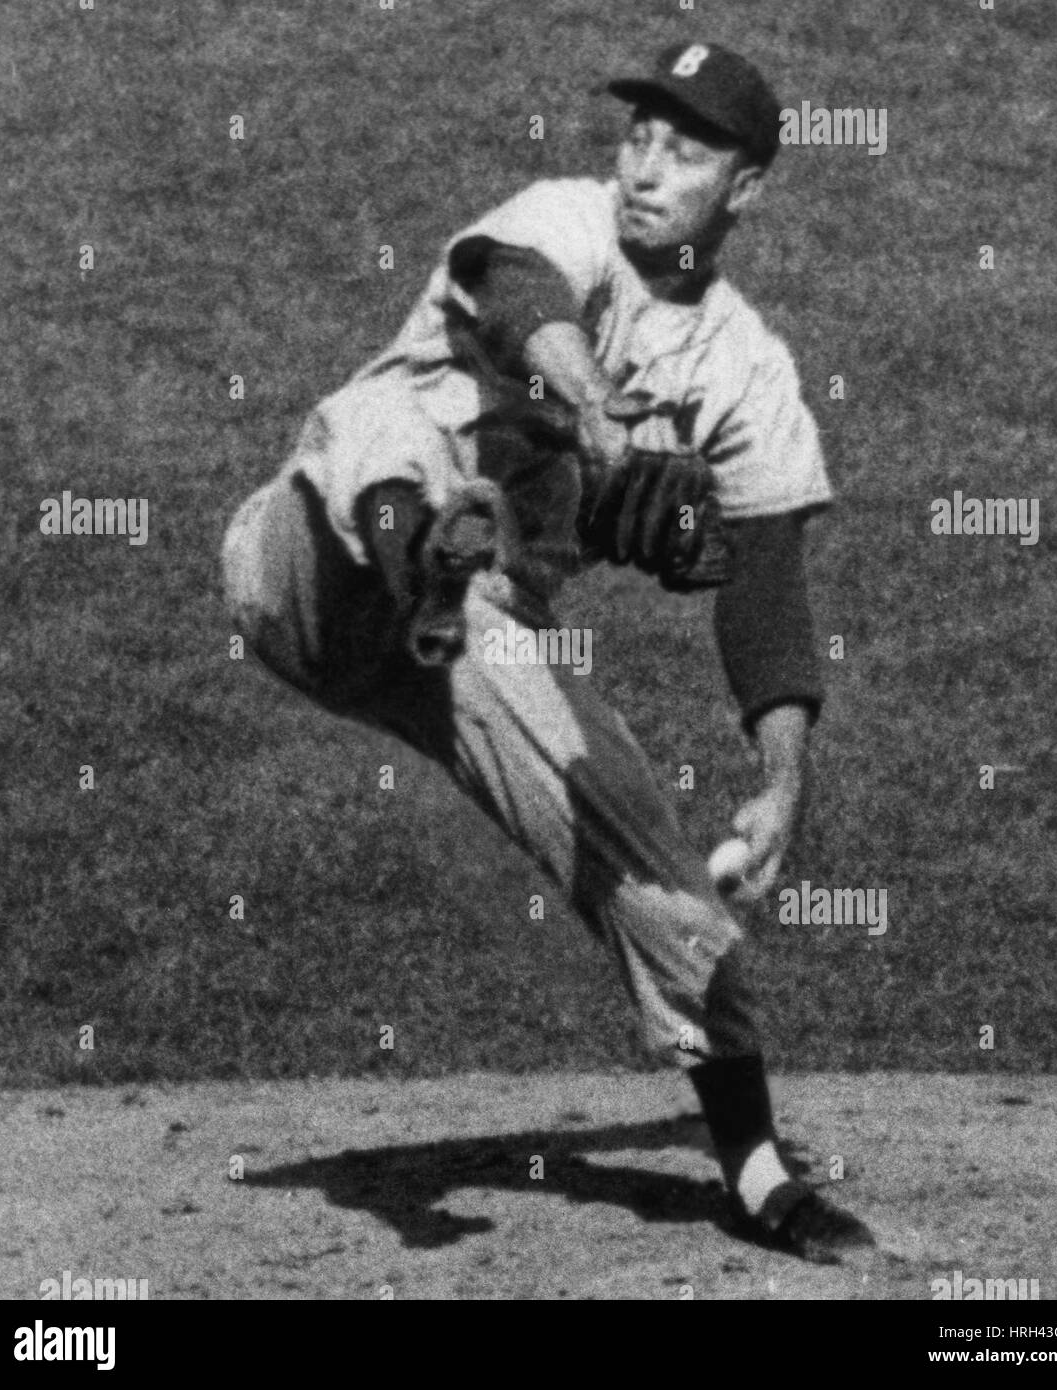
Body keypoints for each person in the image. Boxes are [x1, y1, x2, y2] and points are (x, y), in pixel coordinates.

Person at [222, 39, 874, 1263]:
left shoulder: (749, 372)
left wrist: (783, 787)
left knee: (665, 869)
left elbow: (769, 589)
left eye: (685, 150)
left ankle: (759, 1170)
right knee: (392, 425)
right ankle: (421, 542)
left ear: (748, 191)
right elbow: (521, 292)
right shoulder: (558, 220)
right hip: (305, 565)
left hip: (474, 638)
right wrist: (588, 411)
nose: (645, 165)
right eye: (637, 134)